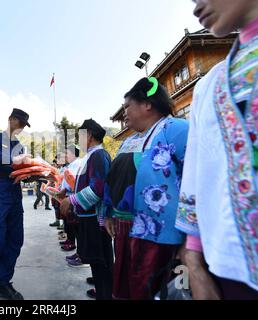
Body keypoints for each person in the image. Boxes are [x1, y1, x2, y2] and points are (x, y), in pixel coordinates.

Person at [176, 0, 258, 300]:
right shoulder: (208, 85)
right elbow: (197, 177)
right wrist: (194, 263)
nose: (196, 5)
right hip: (228, 270)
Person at [104, 77, 189, 300]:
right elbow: (112, 178)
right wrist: (109, 212)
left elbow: (198, 180)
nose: (124, 113)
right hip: (126, 230)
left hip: (162, 237)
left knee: (155, 290)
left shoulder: (177, 129)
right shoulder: (128, 141)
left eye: (127, 106)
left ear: (147, 104)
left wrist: (191, 238)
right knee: (128, 287)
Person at [0, 108, 31, 300]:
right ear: (11, 120)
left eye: (24, 127)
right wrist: (12, 160)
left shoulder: (19, 145)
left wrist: (31, 172)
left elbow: (21, 170)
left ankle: (4, 283)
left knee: (15, 240)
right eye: (20, 124)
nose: (21, 129)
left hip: (14, 194)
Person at [60, 119, 113, 300]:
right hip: (88, 216)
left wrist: (71, 200)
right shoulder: (91, 156)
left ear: (89, 135)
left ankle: (105, 293)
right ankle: (101, 287)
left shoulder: (98, 156)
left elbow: (97, 188)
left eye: (80, 135)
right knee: (96, 259)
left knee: (101, 260)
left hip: (95, 219)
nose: (78, 140)